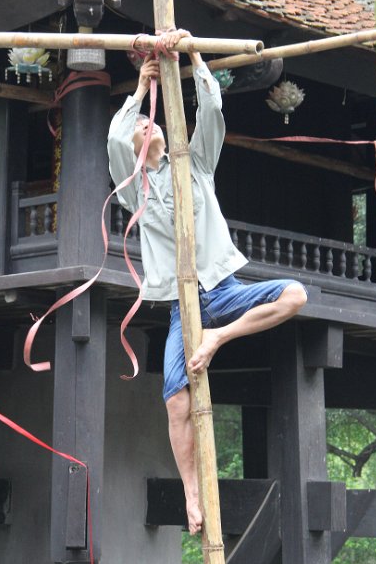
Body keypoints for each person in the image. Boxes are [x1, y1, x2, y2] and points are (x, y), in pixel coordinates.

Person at [107, 29, 307, 535]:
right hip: (181, 304)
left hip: (222, 292)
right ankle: (193, 497)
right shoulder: (135, 191)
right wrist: (139, 87)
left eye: (153, 124)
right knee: (176, 400)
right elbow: (114, 138)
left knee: (296, 294)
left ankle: (220, 336)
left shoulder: (193, 166)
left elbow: (213, 112)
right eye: (143, 127)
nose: (149, 128)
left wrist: (193, 52)